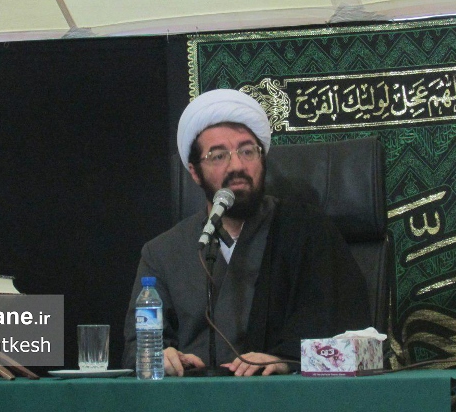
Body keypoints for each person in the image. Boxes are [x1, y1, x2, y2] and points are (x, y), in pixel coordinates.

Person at [122, 89, 370, 376]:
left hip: (284, 394)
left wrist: (287, 361)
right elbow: (135, 350)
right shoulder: (162, 253)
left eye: (247, 151)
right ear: (194, 172)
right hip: (194, 396)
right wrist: (158, 355)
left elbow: (347, 338)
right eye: (218, 156)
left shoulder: (308, 231)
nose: (237, 166)